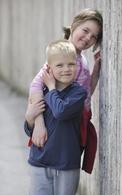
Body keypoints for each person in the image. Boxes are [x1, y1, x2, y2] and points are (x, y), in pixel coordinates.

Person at [27, 8, 103, 153]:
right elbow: (36, 86)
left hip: (75, 119)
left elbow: (85, 93)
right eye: (85, 31)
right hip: (59, 120)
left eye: (94, 36)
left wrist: (95, 74)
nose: (88, 38)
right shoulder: (61, 55)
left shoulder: (82, 59)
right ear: (74, 25)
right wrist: (39, 123)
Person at [25, 39, 87, 195]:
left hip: (66, 162)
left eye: (71, 64)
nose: (66, 69)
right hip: (40, 160)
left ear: (77, 65)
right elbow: (29, 128)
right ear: (49, 69)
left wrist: (52, 88)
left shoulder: (78, 94)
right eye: (59, 65)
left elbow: (61, 111)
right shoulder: (41, 91)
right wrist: (30, 118)